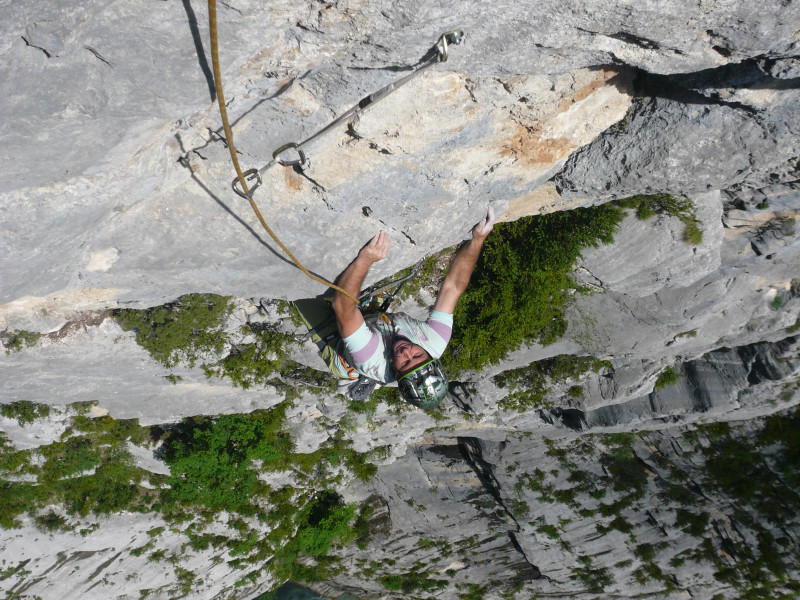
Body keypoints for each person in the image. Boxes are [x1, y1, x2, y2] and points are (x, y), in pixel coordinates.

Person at [331, 206, 495, 409]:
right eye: (418, 355)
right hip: (377, 323)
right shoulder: (435, 341)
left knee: (319, 303)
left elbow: (342, 306)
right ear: (429, 355)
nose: (407, 352)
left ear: (395, 373)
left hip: (342, 347)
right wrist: (478, 240)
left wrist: (365, 260)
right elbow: (453, 286)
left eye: (405, 363)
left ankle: (358, 378)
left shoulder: (371, 358)